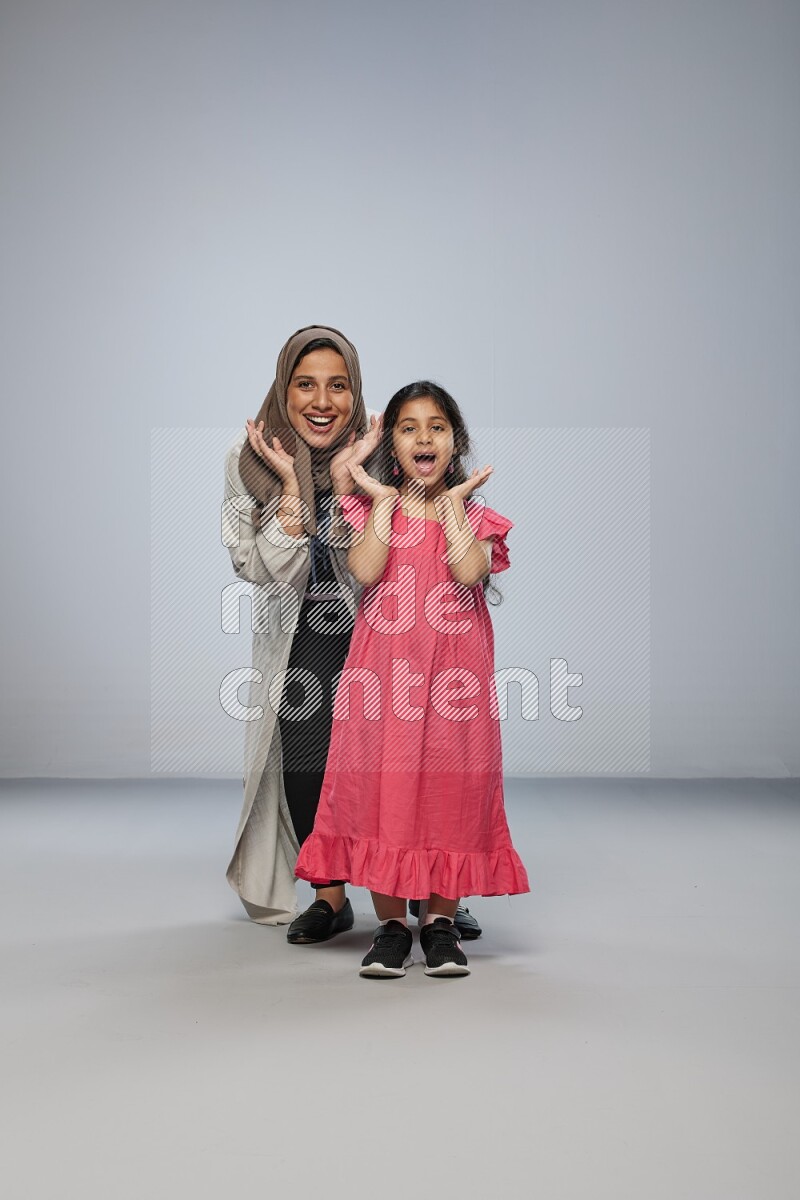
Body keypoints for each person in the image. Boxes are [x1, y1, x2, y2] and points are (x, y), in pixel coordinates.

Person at [294, 381, 530, 976]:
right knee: (383, 792)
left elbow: (468, 568)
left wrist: (452, 506)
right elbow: (368, 569)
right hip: (384, 683)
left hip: (456, 686)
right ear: (392, 445)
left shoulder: (476, 516)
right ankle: (393, 925)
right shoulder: (371, 510)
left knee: (451, 792)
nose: (423, 437)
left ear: (455, 441)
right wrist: (379, 503)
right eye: (408, 427)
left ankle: (441, 924)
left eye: (437, 427)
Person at [223, 325, 381, 938]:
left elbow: (373, 571)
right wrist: (292, 487)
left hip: (382, 629)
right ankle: (331, 896)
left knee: (403, 761)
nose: (322, 401)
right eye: (306, 384)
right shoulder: (245, 463)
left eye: (338, 386)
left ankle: (430, 894)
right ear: (283, 390)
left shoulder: (384, 456)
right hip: (299, 635)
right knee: (306, 759)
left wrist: (345, 487)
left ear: (355, 392)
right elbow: (258, 567)